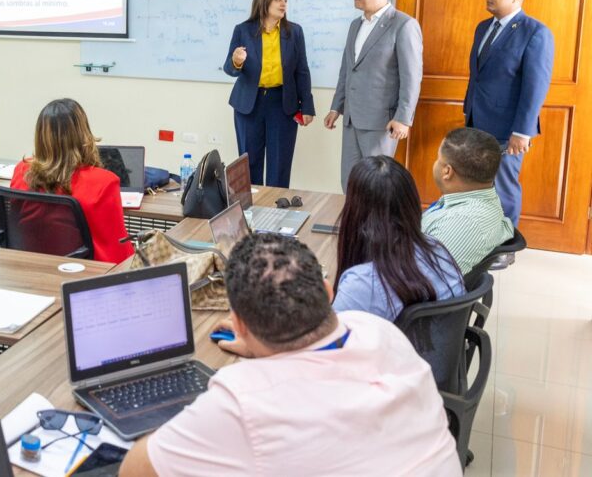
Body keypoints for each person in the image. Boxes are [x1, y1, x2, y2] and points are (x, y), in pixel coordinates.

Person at [119, 233, 461, 477]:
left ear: (238, 324)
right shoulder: (379, 331)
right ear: (329, 293)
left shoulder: (241, 400)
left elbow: (134, 470)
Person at [464, 0, 554, 225]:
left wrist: (522, 131)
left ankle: (505, 244)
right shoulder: (483, 27)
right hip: (476, 121)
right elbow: (478, 76)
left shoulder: (535, 32)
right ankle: (479, 236)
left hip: (508, 127)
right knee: (477, 184)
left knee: (503, 186)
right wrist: (468, 111)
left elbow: (535, 86)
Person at [324, 0, 423, 191]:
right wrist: (336, 108)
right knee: (349, 181)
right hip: (351, 118)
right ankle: (353, 226)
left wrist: (404, 118)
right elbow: (347, 71)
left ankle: (377, 227)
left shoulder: (403, 24)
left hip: (381, 122)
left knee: (377, 186)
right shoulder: (355, 25)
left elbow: (412, 77)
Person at [333, 156, 463, 321]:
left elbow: (328, 343)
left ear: (354, 210)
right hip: (443, 346)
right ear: (411, 203)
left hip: (395, 346)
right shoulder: (438, 250)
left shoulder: (362, 284)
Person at [10, 99, 134, 263]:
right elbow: (117, 250)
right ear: (83, 135)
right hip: (84, 274)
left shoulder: (22, 171)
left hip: (31, 268)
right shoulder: (104, 183)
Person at [222, 0, 315, 187]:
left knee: (279, 165)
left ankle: (277, 212)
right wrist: (237, 60)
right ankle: (251, 212)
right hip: (249, 104)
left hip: (282, 104)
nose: (284, 4)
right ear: (264, 1)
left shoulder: (295, 32)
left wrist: (307, 106)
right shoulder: (243, 30)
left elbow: (302, 71)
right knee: (250, 164)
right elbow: (229, 68)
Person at [424, 127, 515, 276]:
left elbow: (418, 280)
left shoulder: (459, 223)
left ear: (447, 171)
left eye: (437, 159)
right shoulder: (479, 197)